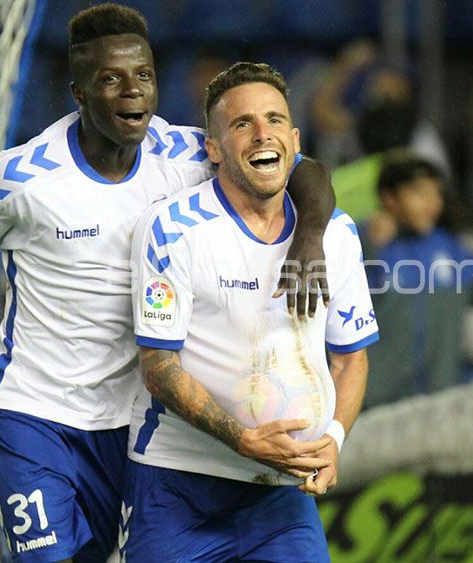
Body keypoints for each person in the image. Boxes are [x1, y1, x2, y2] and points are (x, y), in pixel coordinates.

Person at [0, 5, 336, 562]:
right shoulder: (17, 178)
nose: (134, 93)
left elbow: (303, 169)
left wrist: (311, 235)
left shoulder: (183, 154)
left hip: (129, 425)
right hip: (35, 415)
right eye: (111, 79)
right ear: (78, 91)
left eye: (145, 76)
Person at [121, 62, 377, 562]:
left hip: (281, 497)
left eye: (275, 120)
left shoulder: (337, 233)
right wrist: (242, 439)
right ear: (213, 148)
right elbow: (158, 368)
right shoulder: (173, 228)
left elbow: (350, 358)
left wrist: (334, 438)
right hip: (178, 487)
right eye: (243, 124)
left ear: (296, 139)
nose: (264, 134)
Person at [363, 151, 473, 407]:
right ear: (389, 198)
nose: (432, 203)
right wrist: (366, 244)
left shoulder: (451, 252)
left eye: (436, 194)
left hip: (437, 409)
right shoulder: (350, 244)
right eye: (419, 193)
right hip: (370, 413)